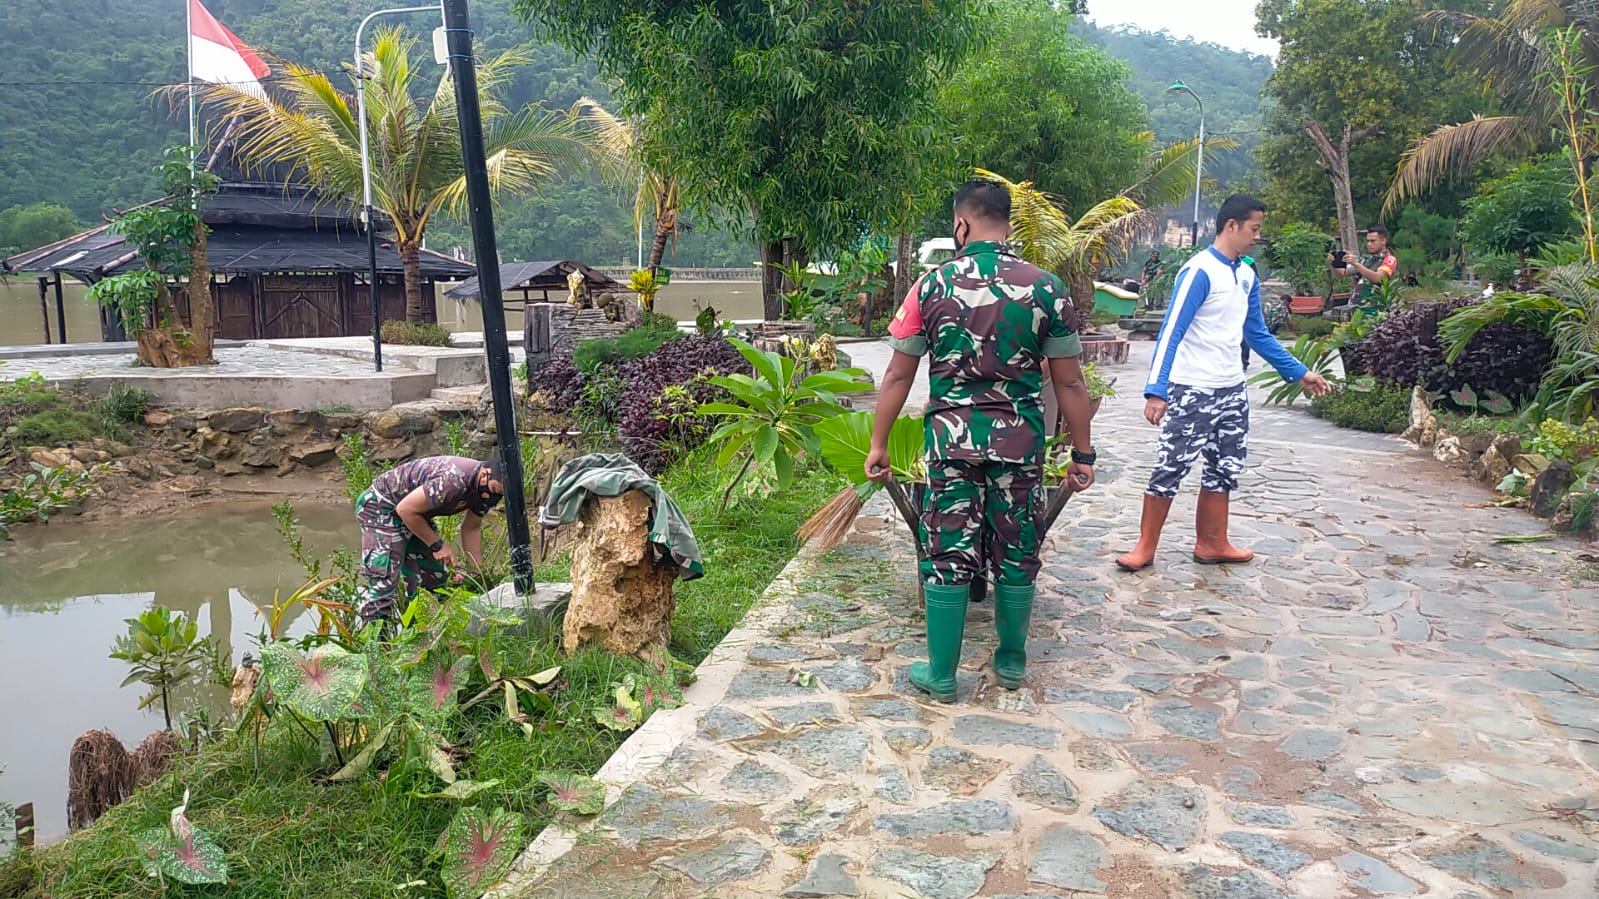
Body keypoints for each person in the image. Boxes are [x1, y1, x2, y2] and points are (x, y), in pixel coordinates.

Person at [866, 179, 1098, 703]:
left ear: (961, 225)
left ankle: (942, 675)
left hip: (951, 444)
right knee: (1017, 549)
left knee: (948, 550)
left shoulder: (930, 287)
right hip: (1019, 444)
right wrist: (1082, 454)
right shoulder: (1046, 288)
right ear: (1007, 222)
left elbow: (899, 377)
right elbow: (1070, 382)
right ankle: (1011, 663)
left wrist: (879, 445)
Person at [1116, 194, 1331, 573]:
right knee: (1171, 467)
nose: (1257, 236)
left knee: (1224, 467)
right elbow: (1171, 331)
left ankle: (1213, 542)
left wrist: (1299, 372)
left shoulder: (1247, 273)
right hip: (1192, 389)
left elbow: (1257, 333)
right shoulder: (1198, 271)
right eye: (1254, 228)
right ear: (1231, 225)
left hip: (1232, 390)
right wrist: (1156, 390)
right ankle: (1145, 546)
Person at [355, 455, 505, 625]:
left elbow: (471, 527)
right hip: (381, 507)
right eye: (497, 489)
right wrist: (437, 545)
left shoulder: (485, 491)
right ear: (486, 474)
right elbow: (405, 509)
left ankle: (422, 638)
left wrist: (477, 574)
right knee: (384, 583)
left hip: (416, 513)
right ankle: (372, 643)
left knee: (433, 580)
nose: (496, 496)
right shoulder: (453, 481)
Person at [1333, 225, 1397, 310]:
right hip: (1357, 310)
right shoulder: (1365, 260)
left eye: (1373, 241)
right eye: (1368, 241)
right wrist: (1334, 262)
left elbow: (1378, 278)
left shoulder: (1389, 260)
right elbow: (1342, 273)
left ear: (1383, 241)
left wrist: (1356, 264)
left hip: (1375, 311)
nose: (1369, 244)